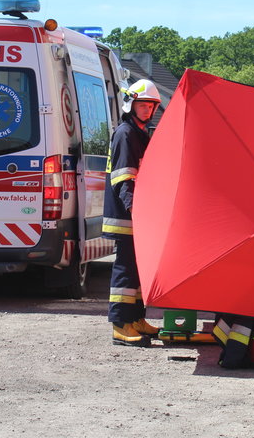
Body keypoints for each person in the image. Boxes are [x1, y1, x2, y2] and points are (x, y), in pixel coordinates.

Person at [103, 80, 163, 347]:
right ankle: (120, 326)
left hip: (137, 214)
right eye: (143, 105)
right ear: (131, 104)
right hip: (126, 215)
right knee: (125, 271)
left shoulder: (140, 134)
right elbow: (124, 177)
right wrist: (135, 208)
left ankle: (136, 319)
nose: (147, 110)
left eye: (151, 106)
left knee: (138, 271)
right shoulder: (125, 133)